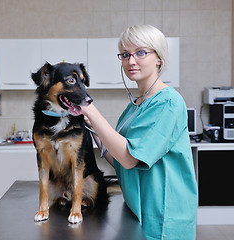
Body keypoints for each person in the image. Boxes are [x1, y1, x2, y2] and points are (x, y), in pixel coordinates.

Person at [81, 25, 198, 240]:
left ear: (159, 58)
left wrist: (89, 107)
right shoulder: (133, 106)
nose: (131, 61)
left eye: (141, 52)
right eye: (125, 55)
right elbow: (116, 157)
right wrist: (91, 125)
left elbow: (129, 159)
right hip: (137, 208)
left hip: (163, 215)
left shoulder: (168, 102)